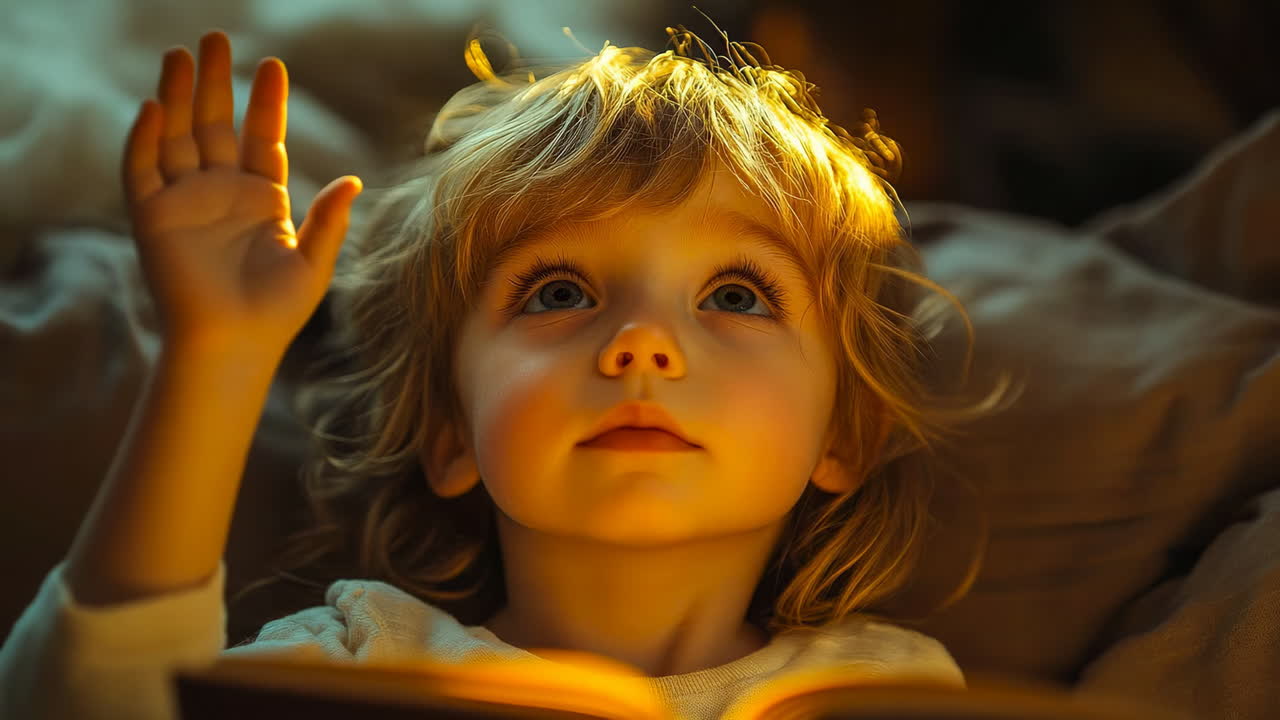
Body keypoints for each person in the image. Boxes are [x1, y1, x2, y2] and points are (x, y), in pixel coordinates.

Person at [0, 21, 1015, 720]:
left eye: (736, 296)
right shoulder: (358, 661)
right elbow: (92, 707)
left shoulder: (881, 688)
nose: (639, 346)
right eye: (560, 292)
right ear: (449, 432)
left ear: (844, 433)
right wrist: (214, 354)